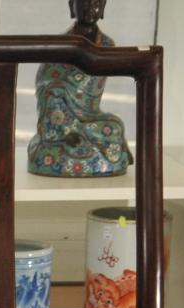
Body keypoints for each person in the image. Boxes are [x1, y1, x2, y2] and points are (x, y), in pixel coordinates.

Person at [27, 0, 132, 177]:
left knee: (116, 127)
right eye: (83, 2)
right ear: (71, 6)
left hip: (91, 117)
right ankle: (66, 135)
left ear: (104, 7)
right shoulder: (59, 45)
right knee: (54, 92)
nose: (90, 8)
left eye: (96, 3)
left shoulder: (107, 45)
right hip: (60, 118)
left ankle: (80, 135)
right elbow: (46, 85)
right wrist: (65, 127)